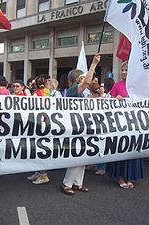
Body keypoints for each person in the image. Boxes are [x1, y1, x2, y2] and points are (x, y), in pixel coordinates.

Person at [61, 53, 101, 195]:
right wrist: (94, 64)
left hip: (83, 126)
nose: (86, 79)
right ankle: (67, 183)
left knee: (83, 155)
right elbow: (86, 83)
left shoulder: (82, 93)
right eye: (83, 77)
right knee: (77, 155)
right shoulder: (73, 90)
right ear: (77, 79)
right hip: (74, 127)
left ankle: (78, 183)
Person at [107, 61, 143, 189]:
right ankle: (120, 177)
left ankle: (129, 175)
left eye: (126, 70)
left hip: (133, 124)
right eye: (122, 70)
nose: (123, 72)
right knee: (121, 148)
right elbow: (108, 104)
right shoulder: (117, 85)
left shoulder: (137, 87)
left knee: (132, 149)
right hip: (120, 124)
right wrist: (115, 100)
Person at [27, 75, 51, 184]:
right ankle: (38, 171)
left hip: (38, 123)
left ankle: (43, 174)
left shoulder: (36, 94)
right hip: (46, 122)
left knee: (37, 148)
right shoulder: (48, 92)